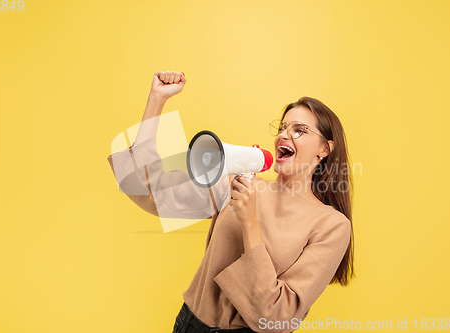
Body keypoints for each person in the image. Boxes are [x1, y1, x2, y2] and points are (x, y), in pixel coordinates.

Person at [107, 71, 355, 333]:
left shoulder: (332, 225)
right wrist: (157, 100)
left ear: (324, 150)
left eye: (300, 130)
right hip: (191, 326)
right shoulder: (238, 184)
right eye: (282, 127)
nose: (284, 135)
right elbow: (148, 191)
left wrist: (249, 223)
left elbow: (277, 318)